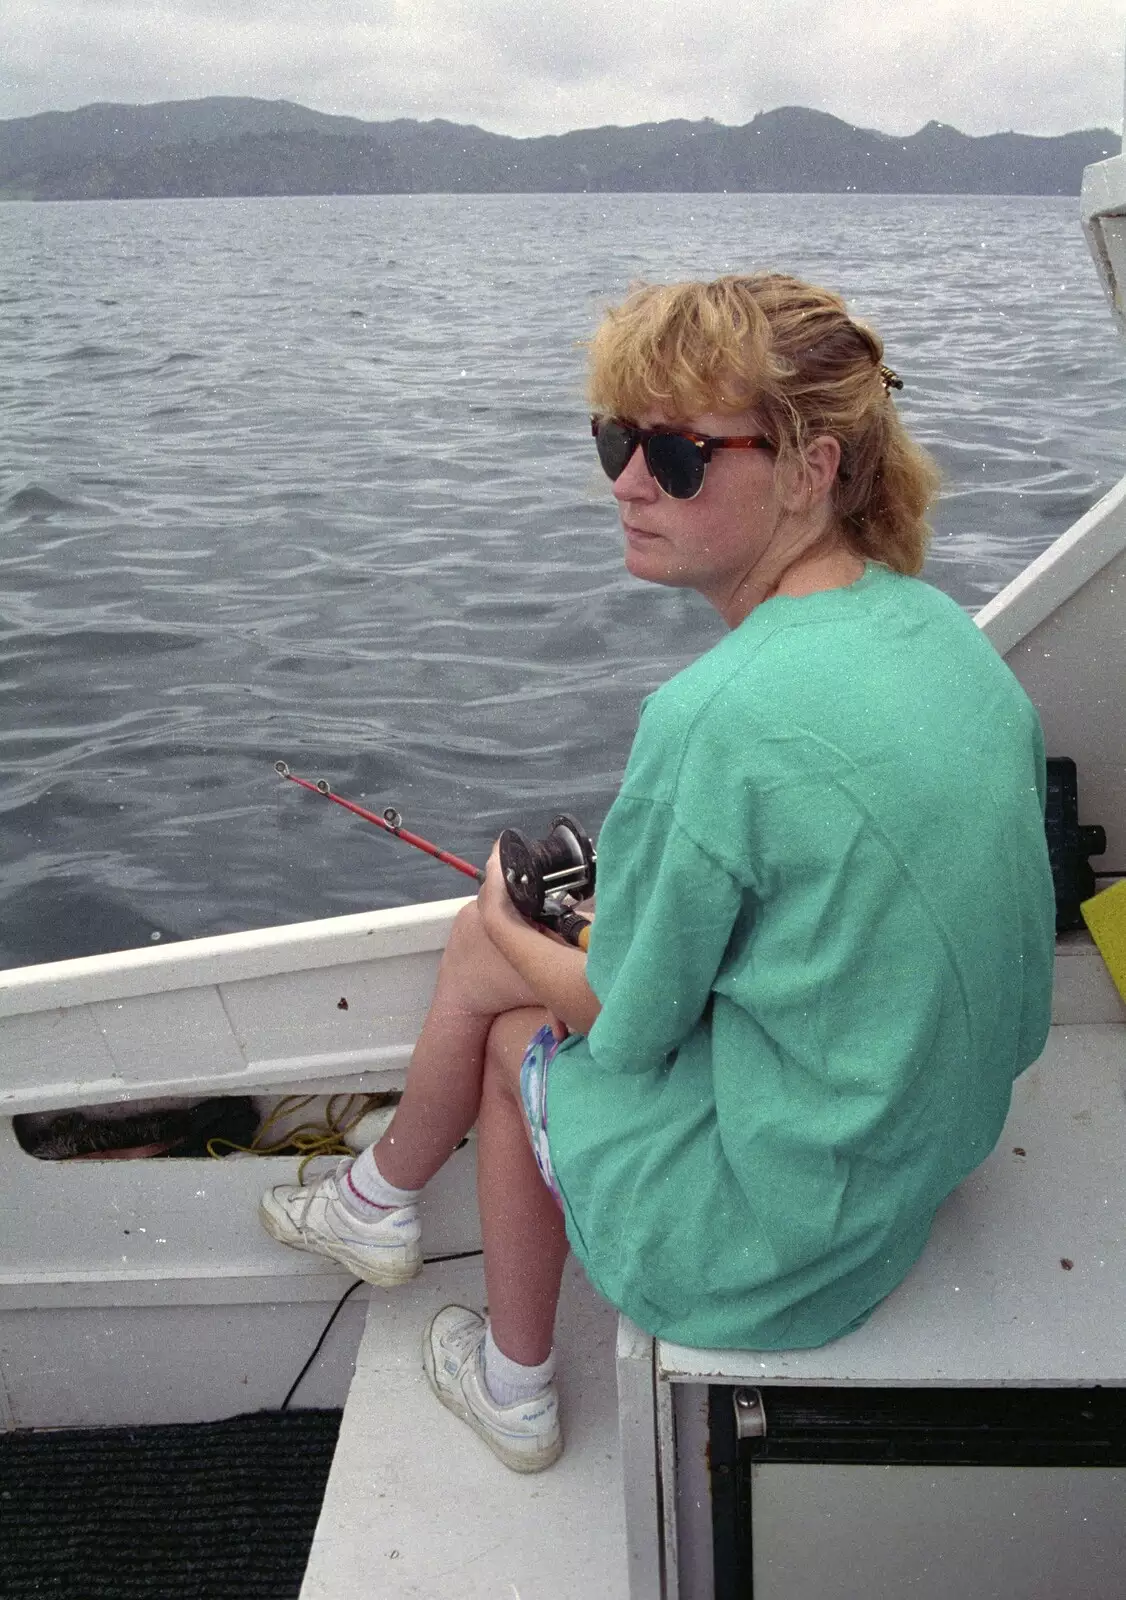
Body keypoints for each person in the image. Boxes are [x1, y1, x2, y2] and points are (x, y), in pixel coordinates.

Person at [260, 273, 1057, 1474]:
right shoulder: (939, 630)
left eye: (678, 455)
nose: (628, 481)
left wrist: (503, 925)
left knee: (500, 989)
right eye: (615, 440)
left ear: (810, 468)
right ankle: (373, 1199)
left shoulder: (714, 716)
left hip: (783, 1247)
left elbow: (629, 1029)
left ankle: (506, 1377)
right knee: (526, 951)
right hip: (916, 1153)